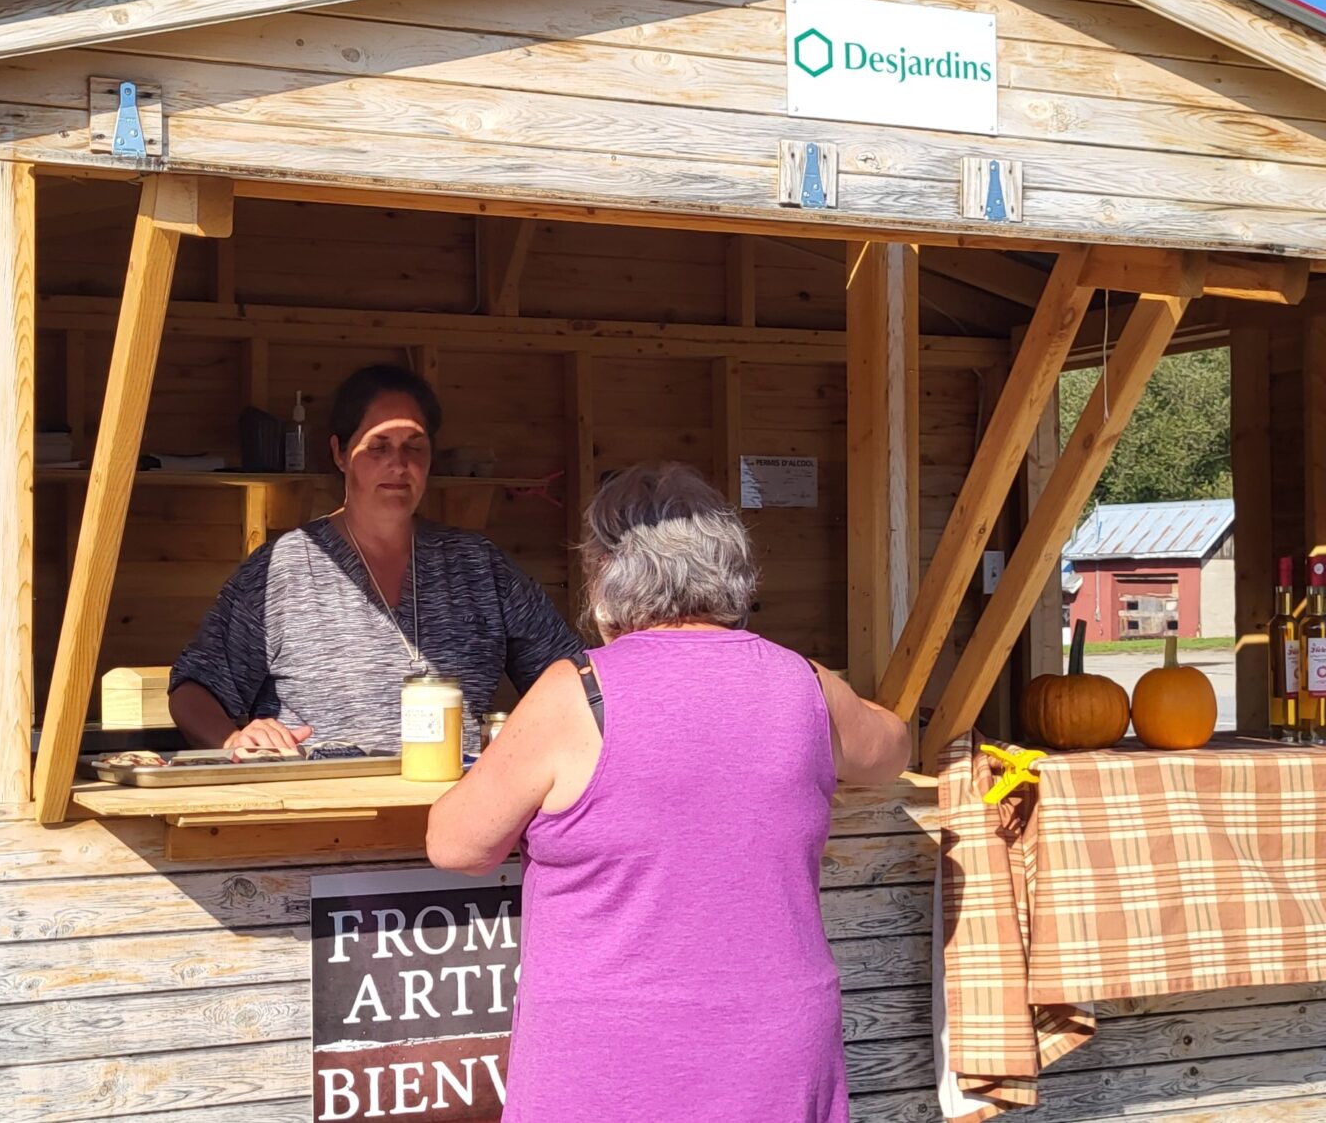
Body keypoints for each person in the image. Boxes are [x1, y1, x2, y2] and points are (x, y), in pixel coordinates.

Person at [427, 462, 913, 1121]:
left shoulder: (577, 693)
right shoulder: (805, 685)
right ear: (733, 571)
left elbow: (455, 842)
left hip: (614, 1058)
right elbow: (892, 749)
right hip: (777, 1044)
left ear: (603, 576)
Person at [168, 364, 582, 755]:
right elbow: (192, 690)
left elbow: (574, 678)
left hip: (459, 811)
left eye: (414, 447)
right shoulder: (283, 570)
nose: (398, 465)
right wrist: (235, 739)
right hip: (320, 814)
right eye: (378, 447)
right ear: (340, 453)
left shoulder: (479, 566)